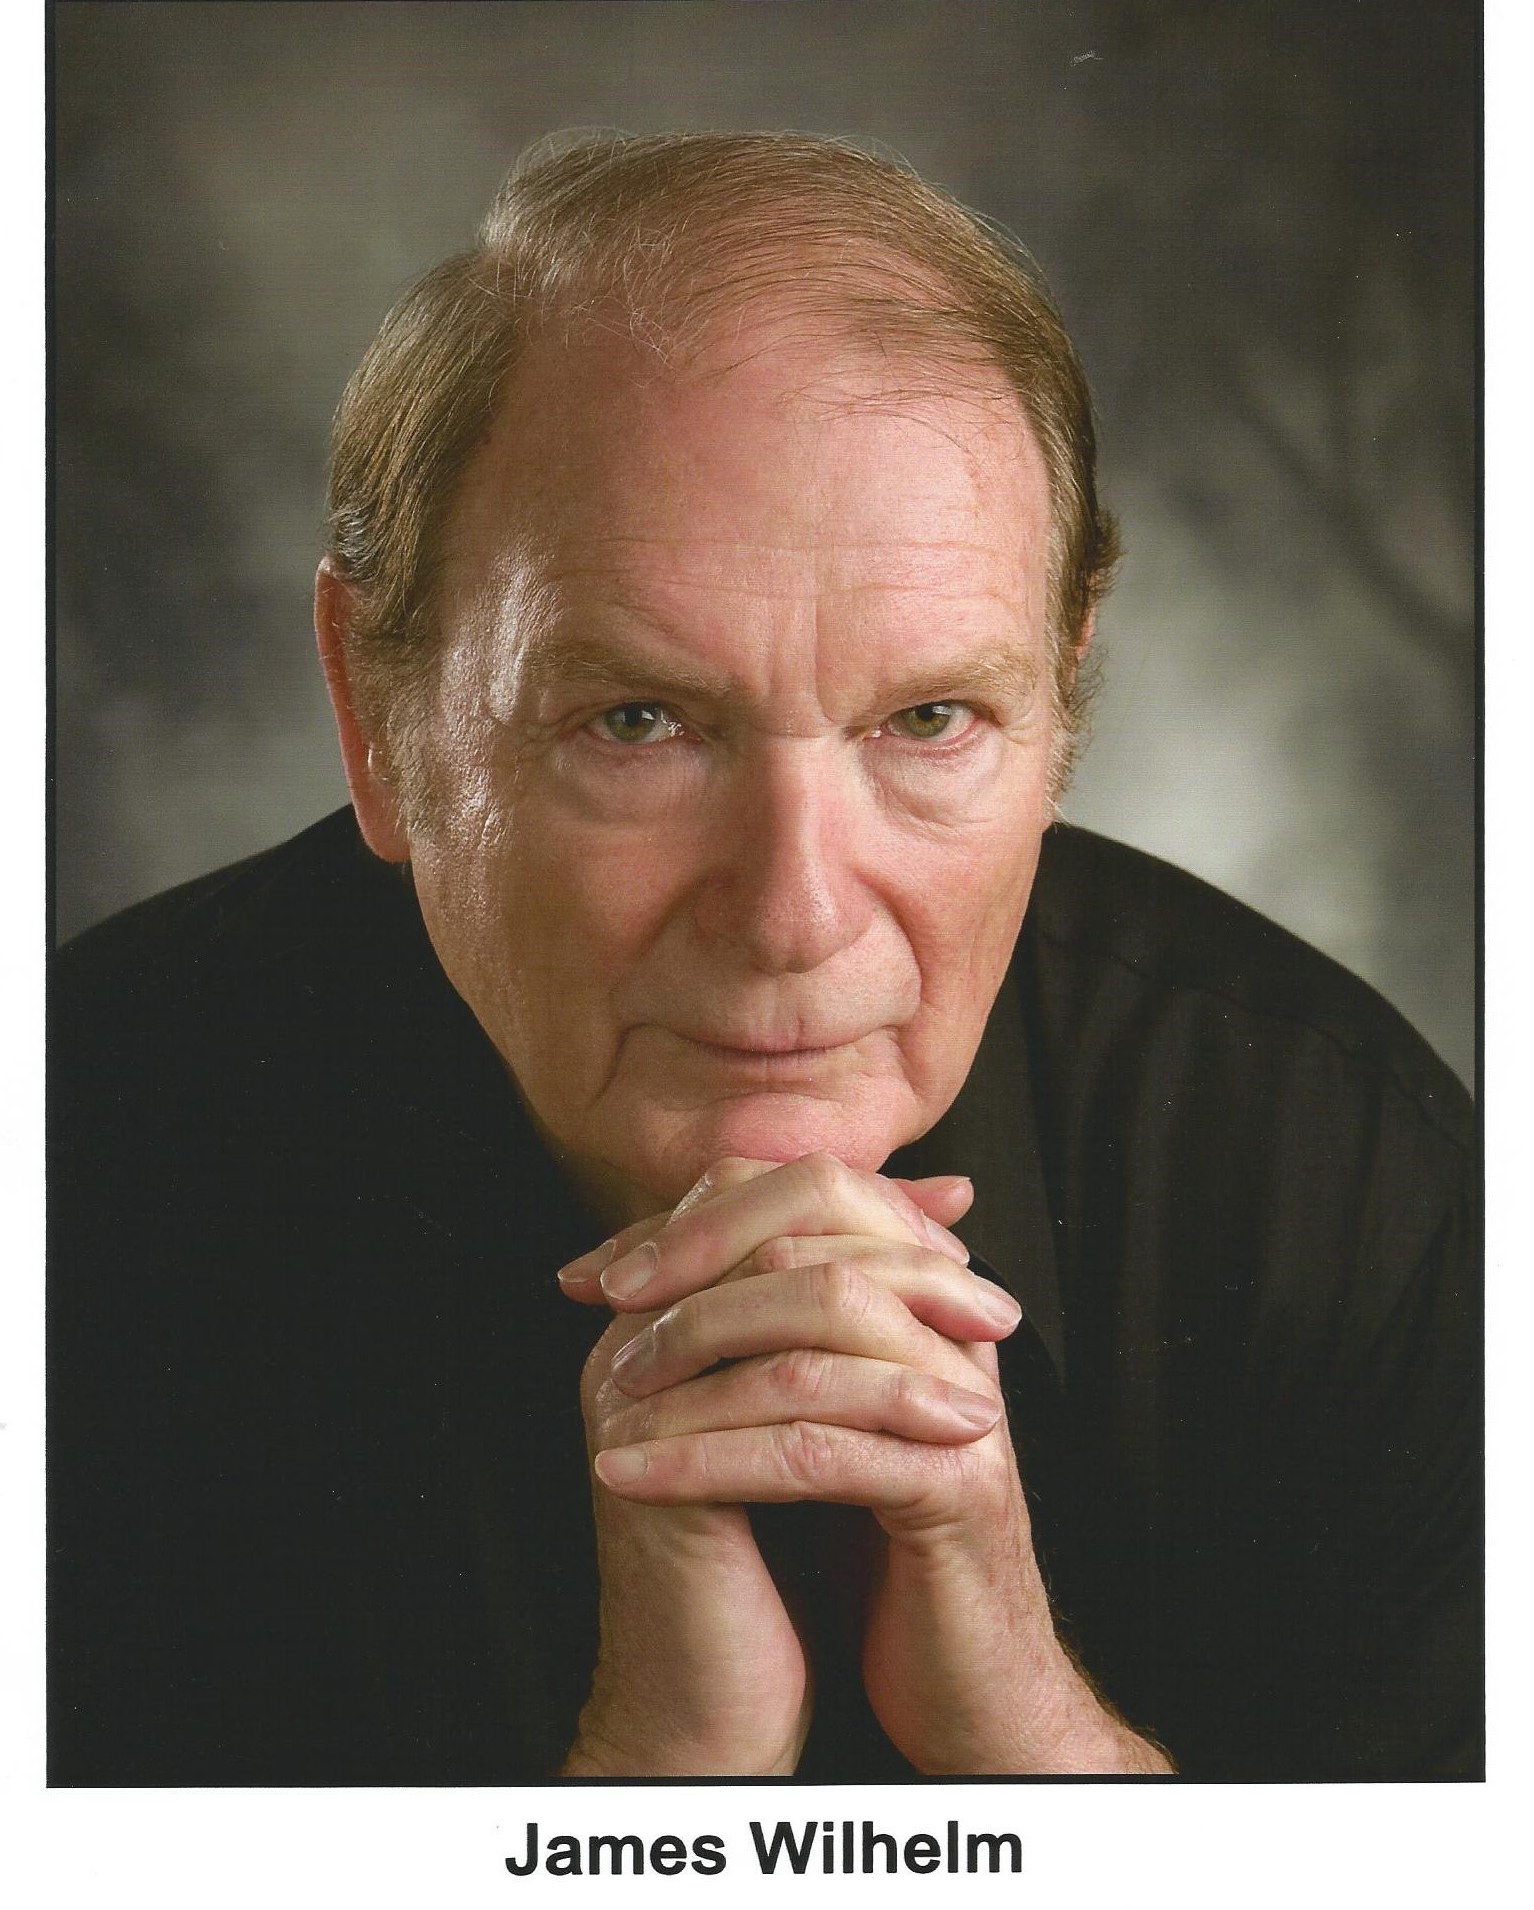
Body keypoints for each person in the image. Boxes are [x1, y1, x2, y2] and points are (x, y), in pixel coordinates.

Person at [49, 132, 1479, 1783]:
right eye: (639, 721)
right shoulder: (74, 1181)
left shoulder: (1341, 1180)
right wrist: (659, 1794)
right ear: (378, 715)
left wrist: (1031, 1741)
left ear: (1062, 697)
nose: (796, 912)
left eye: (929, 719)